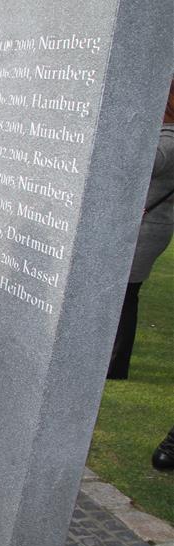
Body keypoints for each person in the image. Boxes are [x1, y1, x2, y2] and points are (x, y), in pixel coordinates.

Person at [107, 83, 174, 379]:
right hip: (150, 227)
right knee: (123, 295)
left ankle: (115, 364)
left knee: (124, 295)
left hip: (146, 230)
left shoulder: (168, 141)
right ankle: (113, 361)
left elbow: (142, 164)